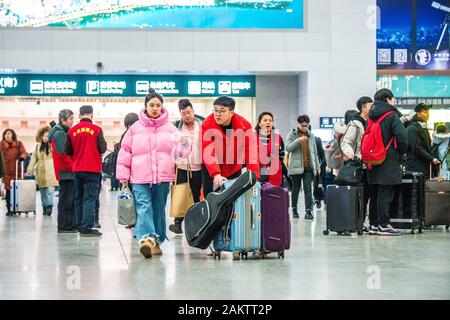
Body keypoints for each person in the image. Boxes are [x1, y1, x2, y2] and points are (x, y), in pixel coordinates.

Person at [116, 88, 191, 259]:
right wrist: (123, 175)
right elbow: (125, 152)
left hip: (163, 177)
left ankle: (155, 241)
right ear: (145, 107)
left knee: (158, 209)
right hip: (139, 177)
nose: (155, 108)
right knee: (144, 207)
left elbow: (182, 151)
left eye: (158, 105)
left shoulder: (171, 128)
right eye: (151, 105)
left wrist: (185, 143)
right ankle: (146, 238)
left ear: (162, 107)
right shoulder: (135, 129)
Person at [367, 89, 408, 236]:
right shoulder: (391, 115)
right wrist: (402, 152)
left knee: (375, 193)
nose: (394, 102)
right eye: (393, 99)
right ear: (387, 99)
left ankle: (373, 225)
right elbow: (402, 136)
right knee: (386, 192)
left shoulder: (371, 117)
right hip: (388, 159)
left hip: (372, 160)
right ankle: (384, 225)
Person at [201, 96, 260, 196]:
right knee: (210, 196)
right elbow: (208, 150)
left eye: (222, 111)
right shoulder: (207, 124)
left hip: (233, 166)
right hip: (211, 168)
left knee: (232, 197)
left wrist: (254, 177)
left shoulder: (244, 125)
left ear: (231, 112)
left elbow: (251, 151)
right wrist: (216, 174)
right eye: (215, 110)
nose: (217, 114)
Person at [65, 105, 107, 237]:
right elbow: (103, 149)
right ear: (92, 115)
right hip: (93, 169)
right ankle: (86, 227)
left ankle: (79, 225)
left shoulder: (72, 131)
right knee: (90, 198)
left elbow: (67, 151)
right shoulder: (97, 129)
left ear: (79, 115)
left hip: (77, 169)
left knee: (78, 198)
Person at [341, 97, 377, 233]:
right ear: (363, 108)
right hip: (360, 165)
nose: (372, 108)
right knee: (362, 196)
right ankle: (358, 224)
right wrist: (351, 155)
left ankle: (367, 224)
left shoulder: (372, 122)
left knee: (371, 195)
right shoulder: (355, 124)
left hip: (372, 164)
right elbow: (346, 142)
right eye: (370, 106)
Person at [169, 99, 204, 235]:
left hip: (198, 167)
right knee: (180, 194)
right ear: (181, 114)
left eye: (189, 112)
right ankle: (177, 224)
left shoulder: (202, 125)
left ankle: (195, 224)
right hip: (181, 166)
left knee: (195, 196)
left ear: (193, 111)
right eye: (184, 114)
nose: (187, 116)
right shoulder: (176, 127)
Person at [286, 115, 321, 220]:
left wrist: (317, 167)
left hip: (308, 167)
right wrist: (298, 140)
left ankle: (308, 211)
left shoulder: (311, 136)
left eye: (306, 125)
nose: (305, 128)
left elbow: (314, 152)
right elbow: (288, 148)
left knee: (308, 189)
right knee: (296, 189)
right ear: (298, 124)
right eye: (302, 125)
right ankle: (294, 209)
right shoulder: (292, 135)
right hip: (296, 167)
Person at [49, 109, 77, 233]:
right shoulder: (59, 134)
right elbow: (63, 155)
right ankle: (64, 225)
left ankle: (69, 224)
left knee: (68, 199)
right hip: (66, 172)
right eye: (70, 119)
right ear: (62, 120)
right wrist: (74, 167)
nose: (72, 121)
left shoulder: (62, 132)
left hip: (67, 171)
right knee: (66, 199)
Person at [26, 126, 58, 216]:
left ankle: (49, 206)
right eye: (43, 136)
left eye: (47, 136)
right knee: (43, 191)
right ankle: (44, 206)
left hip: (51, 171)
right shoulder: (38, 146)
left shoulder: (53, 146)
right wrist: (30, 170)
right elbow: (33, 158)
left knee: (50, 191)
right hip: (40, 172)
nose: (45, 138)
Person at [114, 112, 139, 229]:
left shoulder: (125, 135)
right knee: (135, 197)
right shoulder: (131, 135)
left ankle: (132, 220)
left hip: (129, 172)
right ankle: (134, 220)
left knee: (131, 197)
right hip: (134, 171)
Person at [405, 103, 440, 179]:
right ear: (417, 114)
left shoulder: (422, 127)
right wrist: (431, 159)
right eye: (425, 112)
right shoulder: (412, 128)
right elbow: (417, 148)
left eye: (428, 112)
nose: (428, 114)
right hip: (415, 168)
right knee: (418, 189)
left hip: (423, 167)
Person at [1, 129, 27, 216]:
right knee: (8, 191)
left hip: (17, 171)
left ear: (13, 135)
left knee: (16, 190)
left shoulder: (19, 144)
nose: (7, 135)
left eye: (9, 134)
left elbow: (24, 153)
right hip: (6, 171)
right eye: (5, 134)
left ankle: (17, 208)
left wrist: (22, 157)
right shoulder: (1, 145)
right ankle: (9, 209)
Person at [255, 112, 285, 186]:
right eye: (265, 120)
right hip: (258, 171)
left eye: (270, 120)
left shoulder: (277, 137)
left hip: (274, 172)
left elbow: (281, 154)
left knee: (273, 195)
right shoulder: (253, 137)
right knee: (259, 194)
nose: (268, 122)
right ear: (259, 124)